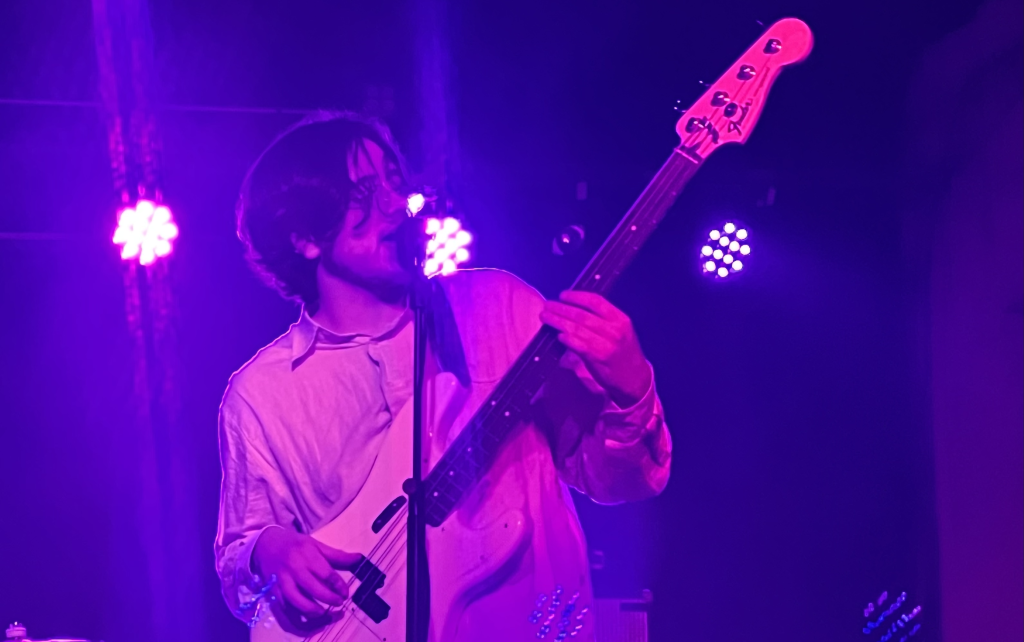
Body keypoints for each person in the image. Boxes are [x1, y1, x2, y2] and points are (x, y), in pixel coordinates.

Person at [214, 111, 672, 640]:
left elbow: (618, 480)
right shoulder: (263, 394)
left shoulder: (502, 308)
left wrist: (632, 390)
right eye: (363, 193)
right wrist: (268, 551)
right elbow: (238, 561)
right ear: (305, 238)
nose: (395, 203)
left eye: (394, 181)